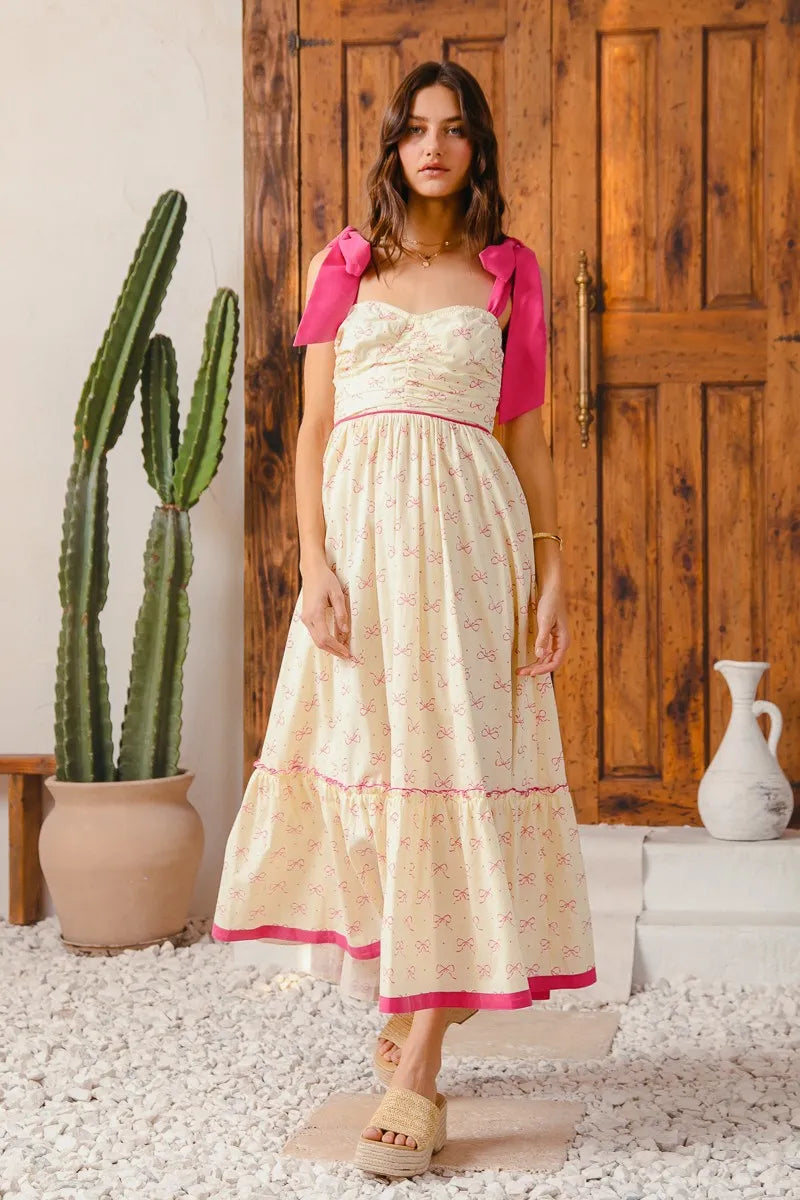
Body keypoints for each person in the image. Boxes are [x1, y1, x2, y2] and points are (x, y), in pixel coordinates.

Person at [212, 59, 597, 1177]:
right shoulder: (344, 262)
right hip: (363, 553)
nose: (434, 147)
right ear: (393, 146)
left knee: (455, 767)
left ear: (477, 149)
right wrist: (312, 564)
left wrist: (552, 571)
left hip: (472, 544)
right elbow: (312, 431)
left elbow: (527, 439)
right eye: (416, 129)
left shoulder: (509, 271)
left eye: (455, 129)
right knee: (377, 771)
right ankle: (426, 986)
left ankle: (420, 1069)